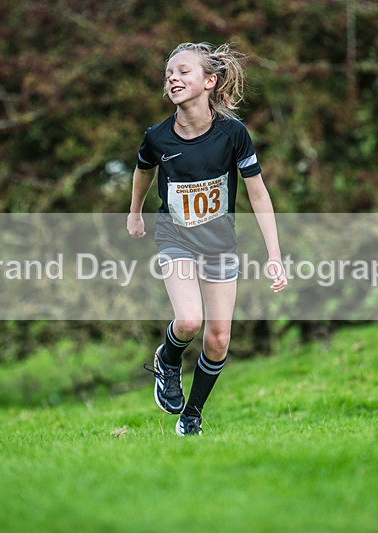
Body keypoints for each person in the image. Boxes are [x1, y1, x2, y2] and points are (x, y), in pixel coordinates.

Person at [127, 42, 287, 436]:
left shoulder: (233, 134)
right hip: (175, 238)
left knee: (218, 340)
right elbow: (143, 170)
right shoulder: (157, 137)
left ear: (209, 81)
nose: (173, 78)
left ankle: (192, 415)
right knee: (189, 321)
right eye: (169, 74)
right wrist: (134, 211)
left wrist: (274, 255)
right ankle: (168, 359)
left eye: (183, 71)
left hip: (219, 245)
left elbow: (258, 194)